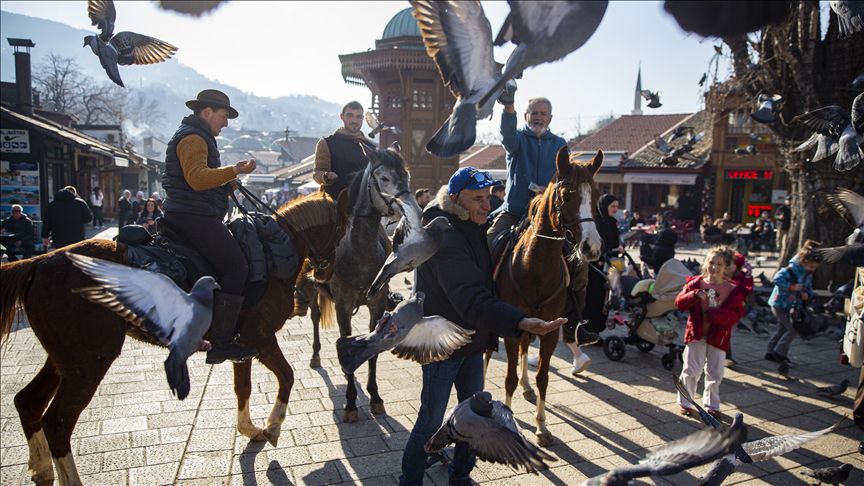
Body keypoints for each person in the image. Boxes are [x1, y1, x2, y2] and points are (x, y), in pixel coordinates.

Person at [399, 167, 565, 486]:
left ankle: (460, 475)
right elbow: (469, 296)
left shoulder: (474, 225)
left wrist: (487, 339)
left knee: (474, 417)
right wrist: (519, 320)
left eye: (488, 198)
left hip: (473, 342)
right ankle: (410, 479)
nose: (487, 206)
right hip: (442, 344)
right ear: (455, 198)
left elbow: (485, 288)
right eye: (478, 198)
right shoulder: (444, 234)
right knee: (431, 419)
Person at [161, 88, 258, 364]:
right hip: (193, 216)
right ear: (207, 112)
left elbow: (201, 177)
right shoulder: (193, 137)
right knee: (237, 267)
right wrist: (234, 170)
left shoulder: (196, 134)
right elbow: (196, 179)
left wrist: (226, 181)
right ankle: (222, 342)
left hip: (192, 212)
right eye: (224, 116)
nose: (226, 123)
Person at [676, 247, 746, 418]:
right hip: (696, 333)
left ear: (726, 268)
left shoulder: (733, 289)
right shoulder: (695, 282)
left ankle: (712, 405)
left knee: (715, 373)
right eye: (711, 262)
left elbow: (736, 314)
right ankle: (685, 402)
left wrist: (714, 315)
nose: (714, 267)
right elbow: (679, 303)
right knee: (691, 370)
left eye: (719, 264)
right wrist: (693, 295)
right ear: (706, 263)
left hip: (718, 336)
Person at [487, 96, 567, 244]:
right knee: (488, 242)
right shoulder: (517, 138)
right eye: (534, 113)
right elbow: (507, 135)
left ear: (550, 118)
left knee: (579, 257)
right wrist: (508, 107)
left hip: (548, 214)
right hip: (514, 213)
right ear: (525, 116)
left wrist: (549, 190)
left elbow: (565, 179)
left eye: (543, 114)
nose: (538, 117)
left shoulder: (560, 144)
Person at [765, 240, 821, 366]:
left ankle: (770, 352)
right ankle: (779, 352)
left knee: (782, 329)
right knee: (793, 329)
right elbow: (777, 279)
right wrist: (791, 287)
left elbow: (808, 287)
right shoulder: (790, 270)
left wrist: (808, 295)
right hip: (780, 304)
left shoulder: (808, 274)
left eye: (815, 268)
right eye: (811, 267)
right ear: (803, 262)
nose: (813, 270)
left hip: (793, 306)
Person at [313, 101, 376, 200]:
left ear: (363, 119)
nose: (354, 120)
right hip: (335, 205)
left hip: (364, 207)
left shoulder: (370, 145)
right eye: (350, 115)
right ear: (342, 117)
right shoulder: (327, 143)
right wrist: (326, 176)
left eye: (358, 116)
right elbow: (317, 174)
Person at [583, 194, 623, 334]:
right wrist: (612, 249)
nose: (615, 209)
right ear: (604, 206)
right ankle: (588, 330)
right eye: (612, 206)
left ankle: (597, 329)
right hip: (595, 268)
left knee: (604, 300)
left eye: (617, 207)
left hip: (609, 266)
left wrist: (616, 250)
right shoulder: (596, 223)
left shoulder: (612, 222)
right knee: (593, 298)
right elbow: (593, 246)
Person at [724, 252, 754, 367]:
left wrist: (748, 276)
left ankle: (727, 357)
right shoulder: (721, 274)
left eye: (730, 264)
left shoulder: (742, 277)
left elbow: (747, 290)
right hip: (721, 307)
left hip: (733, 309)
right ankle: (725, 356)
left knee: (725, 333)